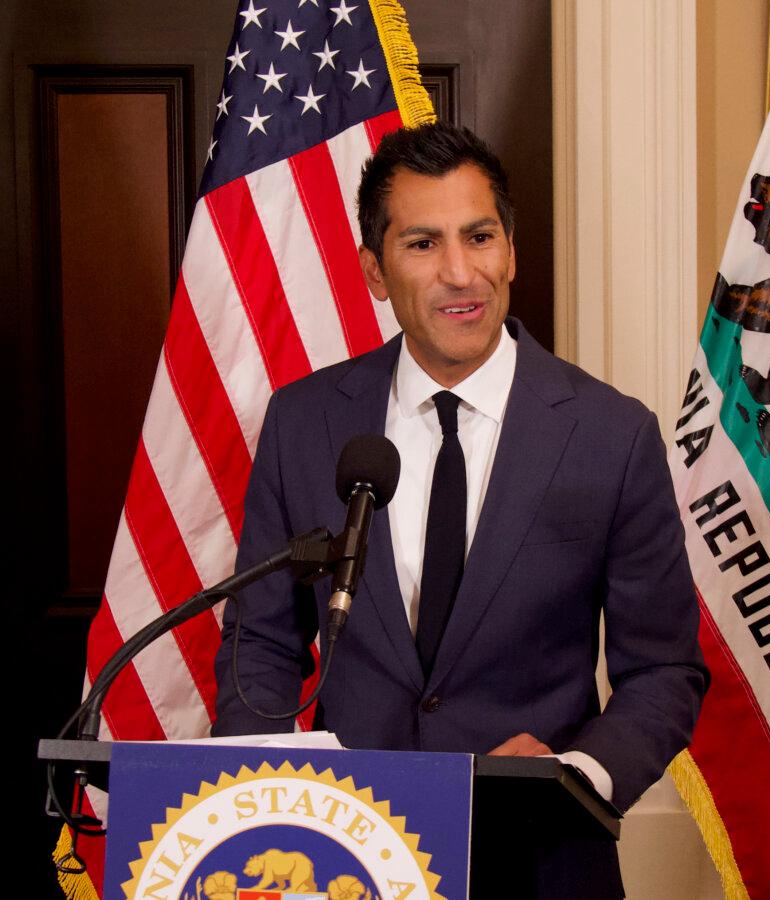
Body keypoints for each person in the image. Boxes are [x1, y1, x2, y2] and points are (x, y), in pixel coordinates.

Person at [213, 121, 708, 897]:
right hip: (341, 861)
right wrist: (270, 809)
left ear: (510, 249)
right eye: (422, 244)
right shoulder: (304, 423)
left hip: (541, 861)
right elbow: (262, 645)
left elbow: (666, 671)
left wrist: (573, 774)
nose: (459, 272)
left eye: (479, 237)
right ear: (376, 272)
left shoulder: (613, 436)